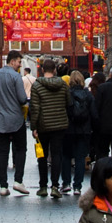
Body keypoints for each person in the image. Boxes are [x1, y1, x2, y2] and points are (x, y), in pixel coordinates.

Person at [0, 51, 32, 195]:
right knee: (20, 150)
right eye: (19, 62)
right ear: (12, 61)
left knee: (2, 152)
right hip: (16, 119)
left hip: (0, 120)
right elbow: (22, 98)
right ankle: (18, 181)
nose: (20, 65)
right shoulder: (16, 76)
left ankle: (3, 186)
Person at [31, 58, 72, 197]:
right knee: (56, 155)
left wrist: (34, 126)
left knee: (41, 155)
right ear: (54, 70)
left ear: (43, 70)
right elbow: (69, 103)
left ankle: (43, 186)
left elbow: (35, 108)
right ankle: (55, 185)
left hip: (43, 126)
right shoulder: (63, 84)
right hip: (60, 124)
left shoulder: (37, 85)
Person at [65, 70, 96, 197]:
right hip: (84, 130)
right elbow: (93, 113)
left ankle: (66, 183)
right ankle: (77, 186)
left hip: (69, 129)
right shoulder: (88, 95)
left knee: (66, 157)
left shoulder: (67, 94)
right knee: (80, 158)